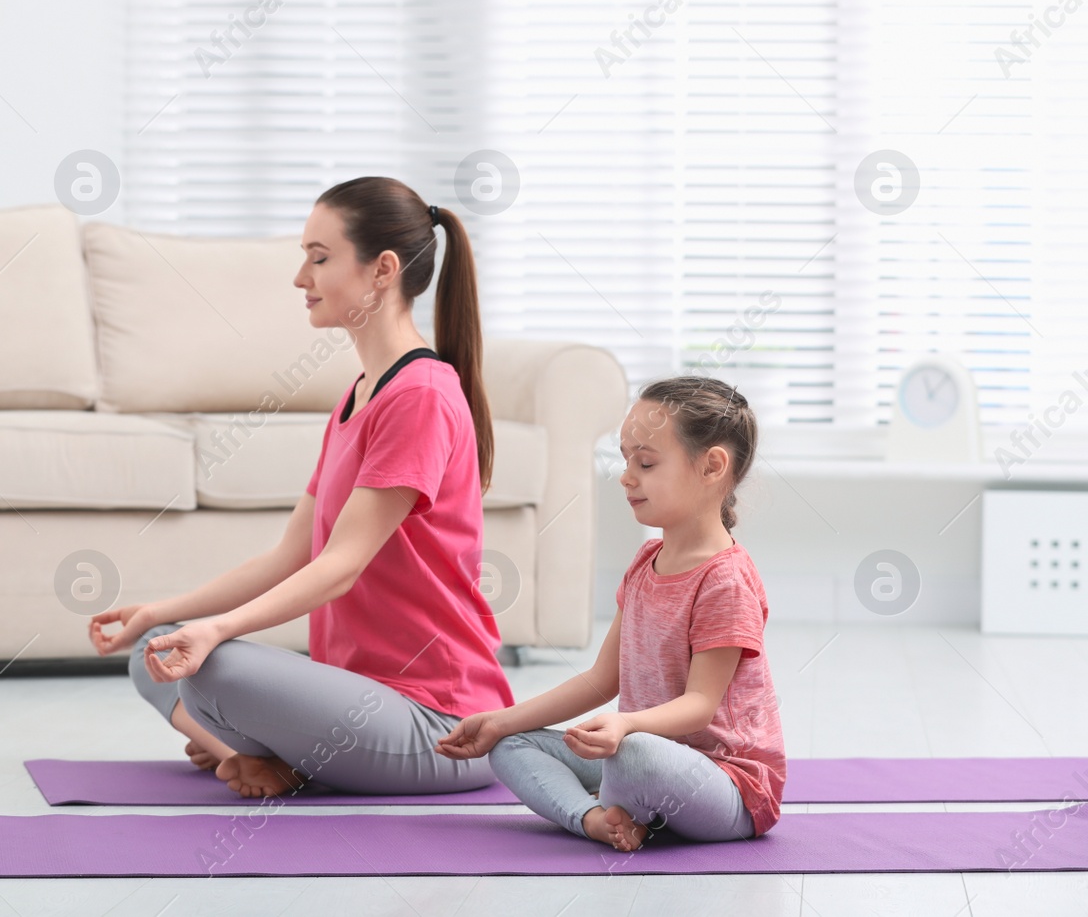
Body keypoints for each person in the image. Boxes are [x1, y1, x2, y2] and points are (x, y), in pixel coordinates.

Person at [88, 175, 514, 799]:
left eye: (319, 258)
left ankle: (248, 749)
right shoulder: (358, 394)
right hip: (361, 702)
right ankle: (259, 754)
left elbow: (339, 568)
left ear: (382, 270)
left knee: (214, 667)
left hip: (440, 726)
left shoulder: (419, 396)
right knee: (156, 649)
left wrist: (215, 632)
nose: (300, 278)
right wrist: (166, 612)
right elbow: (292, 556)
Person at [435, 375, 785, 850]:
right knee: (511, 745)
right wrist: (502, 719)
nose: (626, 475)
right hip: (642, 756)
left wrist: (626, 725)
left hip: (727, 788)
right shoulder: (645, 563)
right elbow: (602, 679)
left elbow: (700, 704)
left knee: (630, 755)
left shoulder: (725, 581)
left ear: (712, 467)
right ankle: (596, 819)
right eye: (625, 459)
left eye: (646, 461)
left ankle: (621, 799)